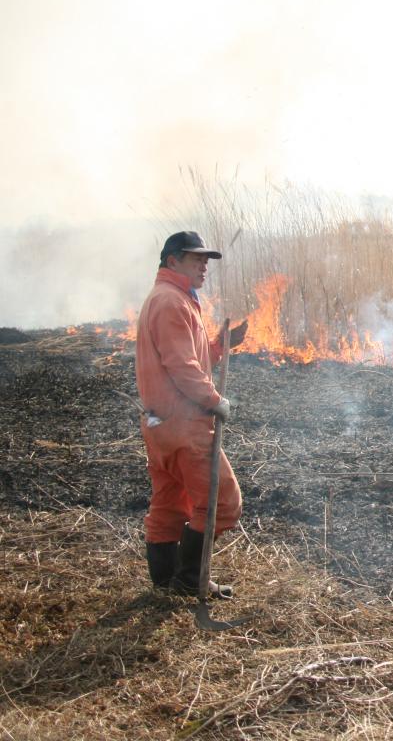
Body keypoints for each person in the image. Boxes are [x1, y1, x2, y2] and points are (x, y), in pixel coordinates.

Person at [136, 231, 248, 598]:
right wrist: (215, 400)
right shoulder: (172, 302)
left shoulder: (172, 298)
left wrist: (219, 346)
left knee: (169, 503)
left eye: (206, 260)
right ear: (173, 261)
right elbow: (183, 368)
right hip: (185, 424)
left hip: (160, 423)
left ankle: (166, 583)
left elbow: (190, 360)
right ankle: (188, 580)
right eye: (196, 258)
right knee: (223, 502)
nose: (204, 266)